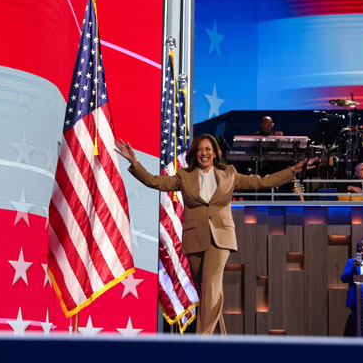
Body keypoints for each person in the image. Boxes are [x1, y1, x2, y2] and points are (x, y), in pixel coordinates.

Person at [115, 134, 313, 334]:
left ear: (215, 153)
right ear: (195, 153)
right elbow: (155, 182)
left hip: (220, 239)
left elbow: (261, 182)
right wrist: (134, 162)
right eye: (200, 149)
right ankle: (220, 344)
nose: (204, 153)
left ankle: (201, 342)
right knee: (209, 293)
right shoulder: (184, 176)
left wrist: (291, 172)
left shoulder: (229, 173)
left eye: (208, 149)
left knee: (210, 287)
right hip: (194, 241)